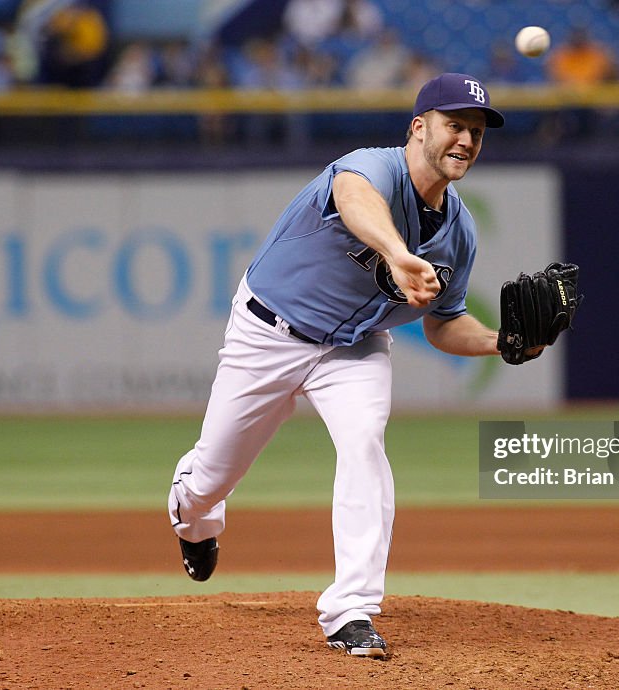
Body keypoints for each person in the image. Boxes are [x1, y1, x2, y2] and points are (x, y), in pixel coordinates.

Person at [168, 73, 528, 658]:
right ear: (419, 127)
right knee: (211, 477)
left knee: (365, 444)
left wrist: (501, 341)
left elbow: (444, 323)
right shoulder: (372, 167)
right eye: (454, 125)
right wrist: (397, 252)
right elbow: (354, 199)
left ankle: (351, 611)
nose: (466, 140)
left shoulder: (459, 230)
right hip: (270, 330)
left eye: (477, 132)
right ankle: (194, 511)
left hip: (354, 346)